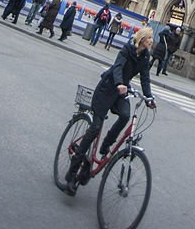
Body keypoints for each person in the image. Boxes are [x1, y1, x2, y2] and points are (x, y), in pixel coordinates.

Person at [61, 26, 156, 196]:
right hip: (107, 89)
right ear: (142, 39)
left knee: (126, 116)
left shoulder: (145, 56)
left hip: (121, 92)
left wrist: (149, 97)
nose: (151, 41)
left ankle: (106, 145)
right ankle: (73, 169)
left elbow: (145, 77)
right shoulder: (127, 49)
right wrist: (119, 83)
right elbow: (118, 67)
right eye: (150, 38)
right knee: (95, 127)